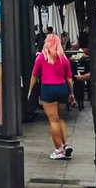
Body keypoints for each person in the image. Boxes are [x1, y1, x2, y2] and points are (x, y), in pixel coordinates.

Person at [28, 32, 76, 160]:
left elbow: (34, 75)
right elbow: (69, 78)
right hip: (62, 89)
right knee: (59, 118)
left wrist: (30, 90)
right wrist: (71, 93)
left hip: (48, 89)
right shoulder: (63, 58)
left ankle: (58, 149)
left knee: (53, 120)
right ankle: (65, 145)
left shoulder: (41, 58)